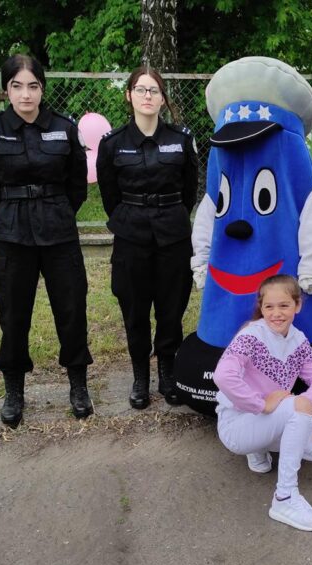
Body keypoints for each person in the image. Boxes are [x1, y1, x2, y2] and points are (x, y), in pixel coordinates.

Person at [0, 54, 93, 428]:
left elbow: (76, 185)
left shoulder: (64, 127)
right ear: (6, 90)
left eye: (33, 86)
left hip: (59, 231)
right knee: (13, 314)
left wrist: (57, 210)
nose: (25, 95)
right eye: (17, 86)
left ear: (42, 89)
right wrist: (11, 213)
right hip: (14, 234)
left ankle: (78, 385)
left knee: (71, 310)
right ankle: (14, 391)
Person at [96, 66, 199, 410]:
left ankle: (167, 372)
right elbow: (110, 195)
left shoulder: (180, 139)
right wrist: (130, 217)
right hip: (132, 236)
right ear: (129, 95)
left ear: (162, 99)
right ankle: (140, 376)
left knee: (171, 308)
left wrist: (170, 214)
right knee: (135, 309)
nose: (147, 96)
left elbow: (189, 190)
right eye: (141, 89)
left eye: (154, 90)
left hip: (172, 235)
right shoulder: (113, 143)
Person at [213, 275, 312, 532]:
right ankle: (284, 497)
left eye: (284, 305)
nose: (276, 313)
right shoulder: (251, 335)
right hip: (236, 425)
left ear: (297, 305)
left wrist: (303, 409)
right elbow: (223, 376)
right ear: (261, 308)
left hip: (270, 420)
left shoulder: (298, 340)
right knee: (298, 407)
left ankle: (259, 449)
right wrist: (260, 404)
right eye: (269, 306)